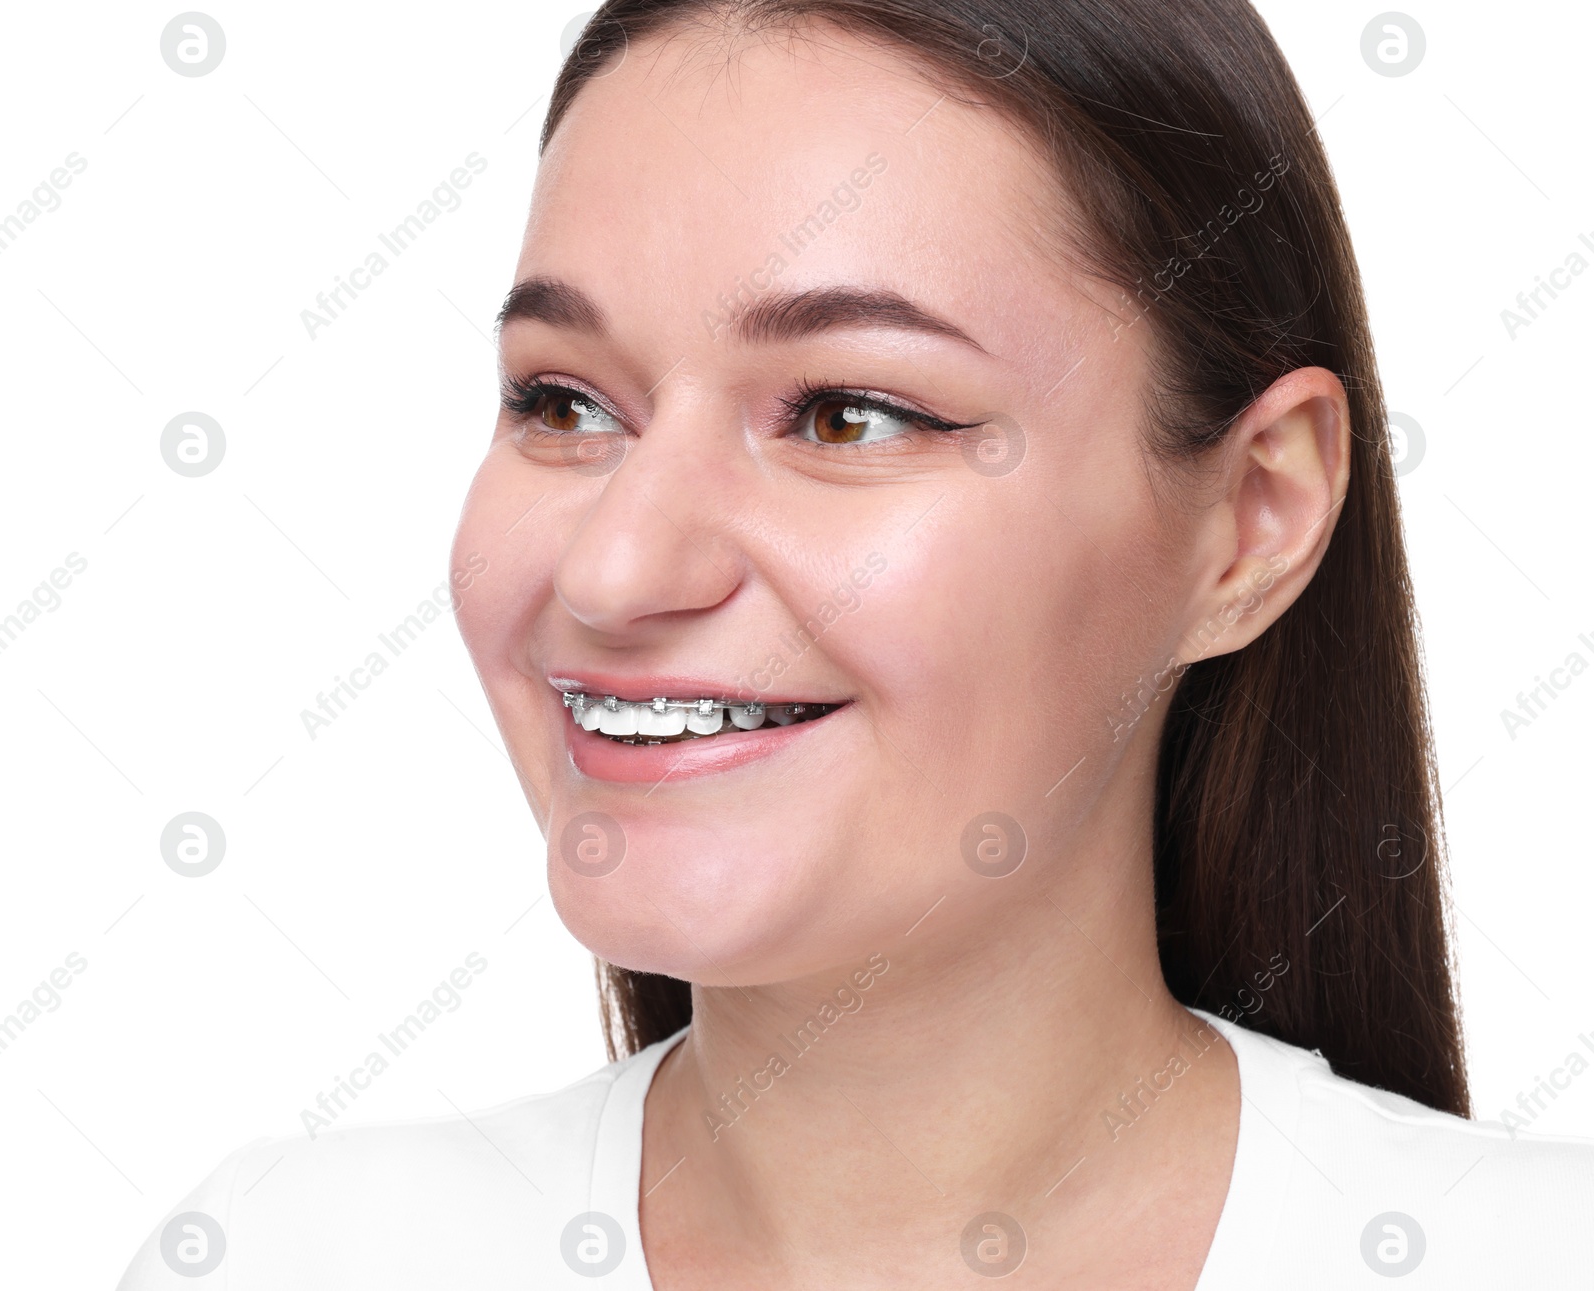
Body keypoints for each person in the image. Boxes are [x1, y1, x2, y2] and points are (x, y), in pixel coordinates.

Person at [117, 1, 1594, 1286]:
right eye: (564, 403)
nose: (619, 567)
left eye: (848, 415)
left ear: (1254, 515)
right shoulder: (288, 1260)